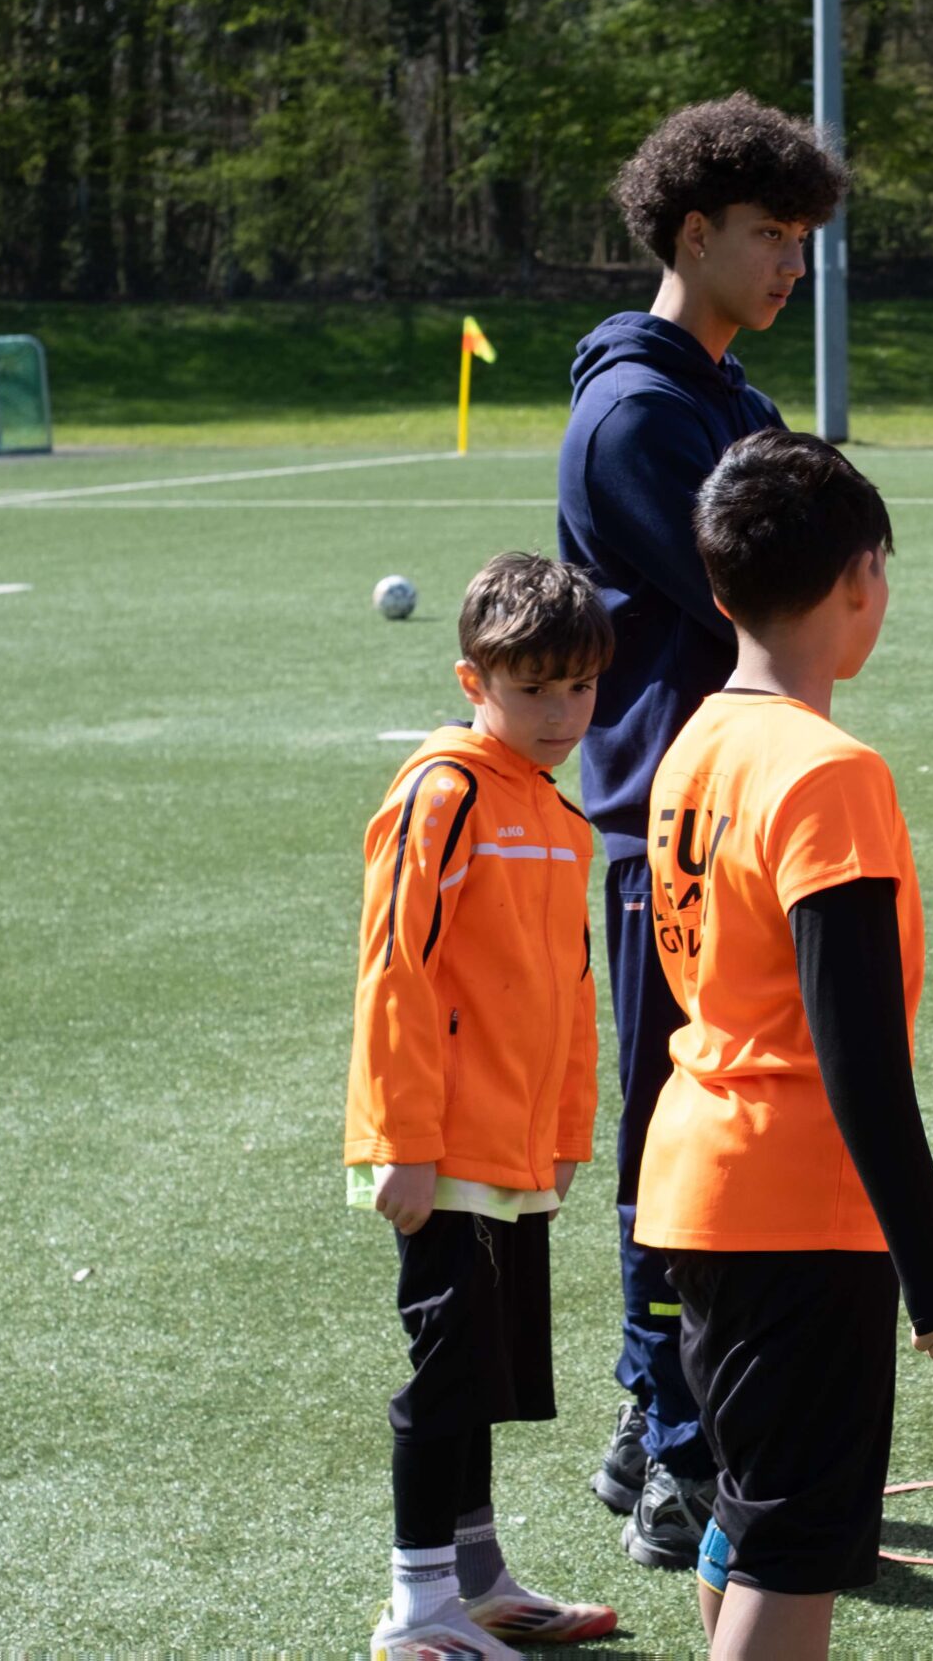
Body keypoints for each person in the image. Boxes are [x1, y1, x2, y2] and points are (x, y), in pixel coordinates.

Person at [635, 429, 933, 1661]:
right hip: (794, 1207)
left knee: (752, 1516)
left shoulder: (694, 743)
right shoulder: (828, 771)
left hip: (698, 1181)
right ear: (859, 579)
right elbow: (858, 1052)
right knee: (793, 1547)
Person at [555, 92, 848, 1569]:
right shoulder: (636, 415)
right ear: (690, 235)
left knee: (729, 1113)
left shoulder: (734, 398)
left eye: (803, 237)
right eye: (770, 235)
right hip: (671, 828)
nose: (794, 263)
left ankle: (652, 1412)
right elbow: (774, 587)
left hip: (748, 809)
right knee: (675, 1129)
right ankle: (677, 1441)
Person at [344, 552, 620, 1659]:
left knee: (488, 1373)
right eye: (533, 688)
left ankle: (475, 1580)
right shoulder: (444, 794)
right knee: (447, 1374)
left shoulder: (555, 813)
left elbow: (572, 990)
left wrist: (565, 1131)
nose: (561, 713)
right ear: (475, 683)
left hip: (514, 1148)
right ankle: (417, 1612)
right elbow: (396, 970)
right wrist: (404, 1141)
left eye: (580, 686)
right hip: (444, 1143)